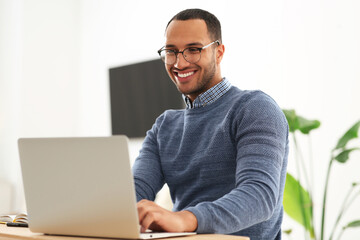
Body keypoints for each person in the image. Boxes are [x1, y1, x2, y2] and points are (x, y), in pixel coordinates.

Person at [132, 8, 289, 240]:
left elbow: (259, 196)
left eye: (193, 50)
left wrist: (183, 219)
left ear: (219, 52)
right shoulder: (164, 126)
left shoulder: (254, 108)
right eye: (171, 51)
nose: (179, 62)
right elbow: (134, 192)